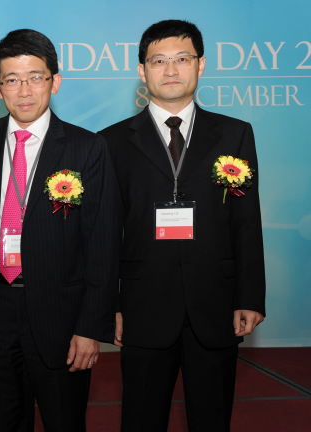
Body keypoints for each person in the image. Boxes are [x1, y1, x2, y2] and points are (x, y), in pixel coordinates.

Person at [99, 20, 266, 432]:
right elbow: (105, 233)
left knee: (212, 420)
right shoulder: (110, 141)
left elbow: (246, 222)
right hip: (142, 307)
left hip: (216, 304)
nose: (170, 70)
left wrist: (250, 296)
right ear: (142, 70)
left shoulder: (234, 134)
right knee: (141, 418)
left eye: (182, 59)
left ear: (201, 65)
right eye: (159, 60)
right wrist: (111, 305)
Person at [0, 29, 120, 432]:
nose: (25, 89)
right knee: (3, 421)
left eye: (36, 76)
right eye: (12, 79)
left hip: (60, 312)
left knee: (64, 421)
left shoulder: (87, 147)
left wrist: (90, 328)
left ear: (56, 81)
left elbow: (102, 244)